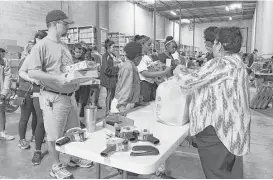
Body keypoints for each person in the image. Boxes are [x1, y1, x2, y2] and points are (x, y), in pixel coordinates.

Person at [174, 27, 250, 178]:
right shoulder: (238, 63)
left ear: (220, 45)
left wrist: (178, 71)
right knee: (231, 172)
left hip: (217, 131)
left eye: (214, 43)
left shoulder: (220, 63)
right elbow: (208, 79)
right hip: (234, 130)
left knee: (217, 173)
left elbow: (188, 83)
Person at [28, 10, 92, 179]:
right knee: (54, 134)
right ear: (55, 24)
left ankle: (73, 158)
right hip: (53, 97)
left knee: (73, 130)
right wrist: (56, 78)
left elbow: (66, 69)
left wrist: (80, 77)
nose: (68, 27)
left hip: (69, 96)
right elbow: (33, 72)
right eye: (65, 24)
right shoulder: (41, 46)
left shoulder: (64, 46)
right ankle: (56, 166)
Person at [19, 30, 48, 164]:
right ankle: (37, 151)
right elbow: (21, 72)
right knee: (40, 119)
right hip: (38, 92)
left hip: (55, 92)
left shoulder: (52, 52)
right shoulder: (32, 56)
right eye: (36, 44)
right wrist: (32, 79)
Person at [137, 36, 171, 102]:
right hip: (144, 84)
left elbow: (151, 68)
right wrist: (163, 72)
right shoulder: (140, 57)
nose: (150, 47)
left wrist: (159, 66)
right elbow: (146, 74)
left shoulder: (147, 56)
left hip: (151, 83)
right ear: (142, 44)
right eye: (149, 45)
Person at [111, 42, 142, 114]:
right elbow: (125, 87)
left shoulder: (130, 65)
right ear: (137, 56)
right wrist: (121, 107)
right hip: (123, 105)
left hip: (125, 102)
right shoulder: (129, 67)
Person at [100, 39, 120, 115]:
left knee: (113, 94)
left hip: (113, 78)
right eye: (113, 47)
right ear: (108, 47)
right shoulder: (105, 56)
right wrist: (117, 68)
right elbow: (106, 69)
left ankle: (112, 108)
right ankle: (107, 111)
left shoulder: (113, 55)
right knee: (109, 94)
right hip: (108, 78)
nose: (114, 48)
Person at [0, 47, 13, 141]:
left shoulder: (4, 62)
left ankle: (1, 132)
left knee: (1, 112)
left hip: (1, 92)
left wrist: (4, 91)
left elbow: (8, 76)